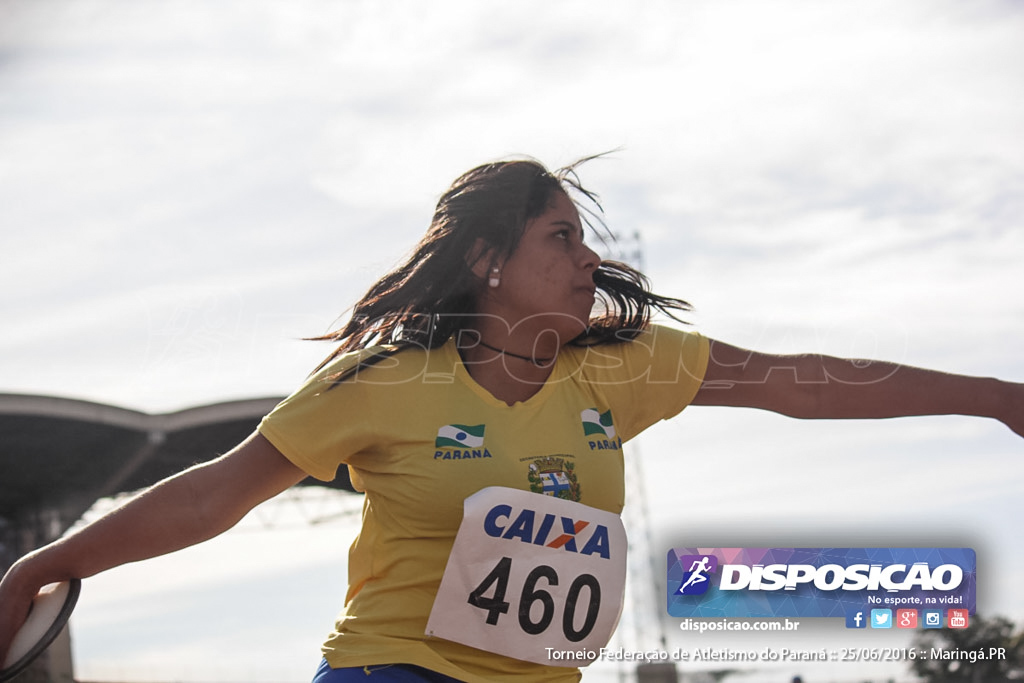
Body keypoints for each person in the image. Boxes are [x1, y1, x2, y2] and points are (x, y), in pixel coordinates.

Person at [0, 157, 1021, 683]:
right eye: (560, 236)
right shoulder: (385, 380)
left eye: (585, 239)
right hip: (392, 672)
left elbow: (809, 378)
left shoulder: (622, 366)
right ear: (490, 259)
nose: (588, 259)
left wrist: (995, 395)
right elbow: (213, 493)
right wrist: (36, 566)